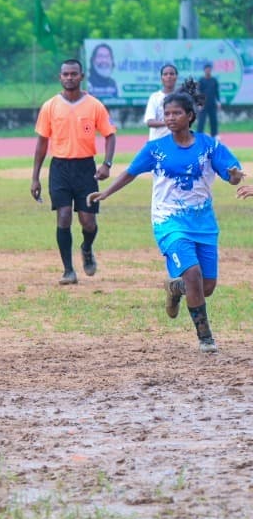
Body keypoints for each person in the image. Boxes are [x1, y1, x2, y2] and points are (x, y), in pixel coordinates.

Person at [90, 82, 242, 353]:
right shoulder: (156, 149)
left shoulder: (209, 146)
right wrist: (106, 193)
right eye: (167, 114)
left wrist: (234, 175)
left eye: (176, 114)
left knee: (206, 286)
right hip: (168, 221)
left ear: (190, 115)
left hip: (203, 223)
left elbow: (231, 176)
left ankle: (176, 288)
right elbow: (130, 173)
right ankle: (205, 338)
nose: (170, 118)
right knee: (193, 274)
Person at [30, 58, 117, 285]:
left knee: (88, 222)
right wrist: (35, 177)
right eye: (66, 74)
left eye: (74, 74)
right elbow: (41, 143)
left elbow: (110, 135)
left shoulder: (94, 105)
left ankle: (86, 248)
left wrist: (107, 164)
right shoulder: (50, 106)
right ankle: (68, 270)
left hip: (85, 168)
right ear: (60, 77)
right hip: (59, 168)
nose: (69, 77)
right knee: (64, 217)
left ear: (82, 76)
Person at [143, 63, 179, 141]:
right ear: (161, 78)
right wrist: (169, 122)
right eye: (165, 74)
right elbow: (149, 122)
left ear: (176, 77)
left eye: (171, 74)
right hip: (157, 143)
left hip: (177, 143)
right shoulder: (155, 97)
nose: (168, 76)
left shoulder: (182, 98)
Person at [197, 63, 220, 139]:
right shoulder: (201, 80)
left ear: (211, 70)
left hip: (212, 103)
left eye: (209, 69)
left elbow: (217, 92)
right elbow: (199, 92)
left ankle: (215, 135)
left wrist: (218, 102)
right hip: (203, 104)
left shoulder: (214, 80)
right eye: (207, 69)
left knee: (213, 120)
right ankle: (199, 135)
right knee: (201, 121)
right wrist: (200, 104)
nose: (208, 71)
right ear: (204, 70)